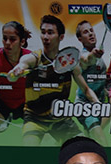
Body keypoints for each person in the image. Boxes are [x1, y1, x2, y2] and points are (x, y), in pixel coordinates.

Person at [15, 15, 96, 146]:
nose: (45, 37)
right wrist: (17, 70)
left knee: (82, 148)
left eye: (50, 33)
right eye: (43, 32)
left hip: (61, 120)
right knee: (29, 150)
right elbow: (22, 63)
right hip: (35, 118)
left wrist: (98, 104)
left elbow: (86, 90)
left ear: (61, 37)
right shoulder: (34, 59)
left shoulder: (68, 63)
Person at [75, 19, 110, 143]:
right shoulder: (82, 56)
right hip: (85, 106)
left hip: (98, 105)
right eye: (86, 32)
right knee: (102, 141)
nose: (90, 33)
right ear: (80, 39)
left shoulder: (101, 59)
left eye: (91, 30)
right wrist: (93, 55)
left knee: (91, 139)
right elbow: (87, 60)